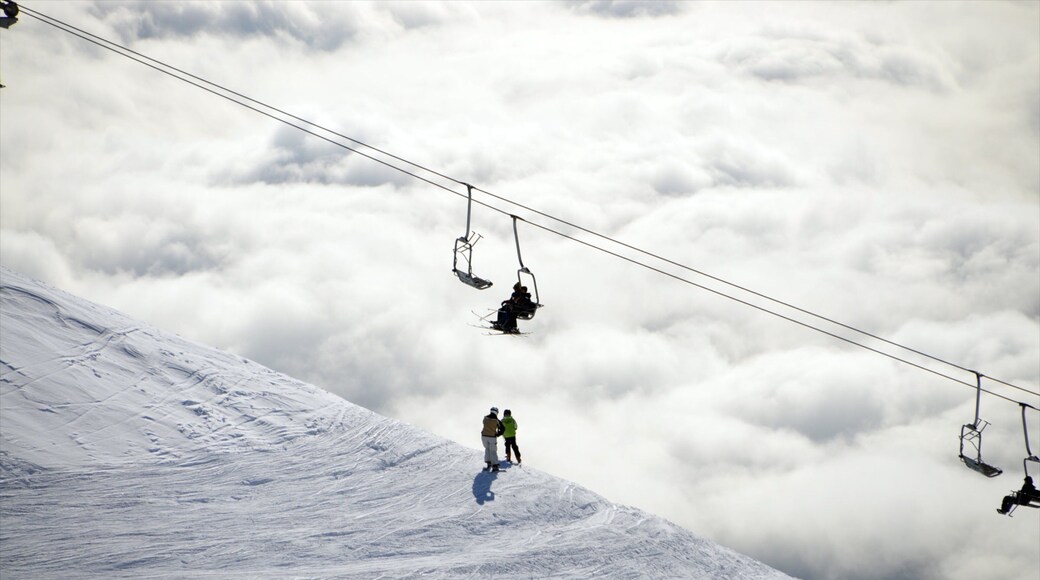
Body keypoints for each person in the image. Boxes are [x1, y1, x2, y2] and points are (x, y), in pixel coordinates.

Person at [481, 406, 504, 472]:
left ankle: (488, 464)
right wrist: (498, 434)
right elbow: (502, 428)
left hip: (484, 436)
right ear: (496, 412)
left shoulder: (485, 418)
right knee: (493, 451)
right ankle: (495, 466)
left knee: (487, 449)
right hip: (492, 437)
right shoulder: (496, 420)